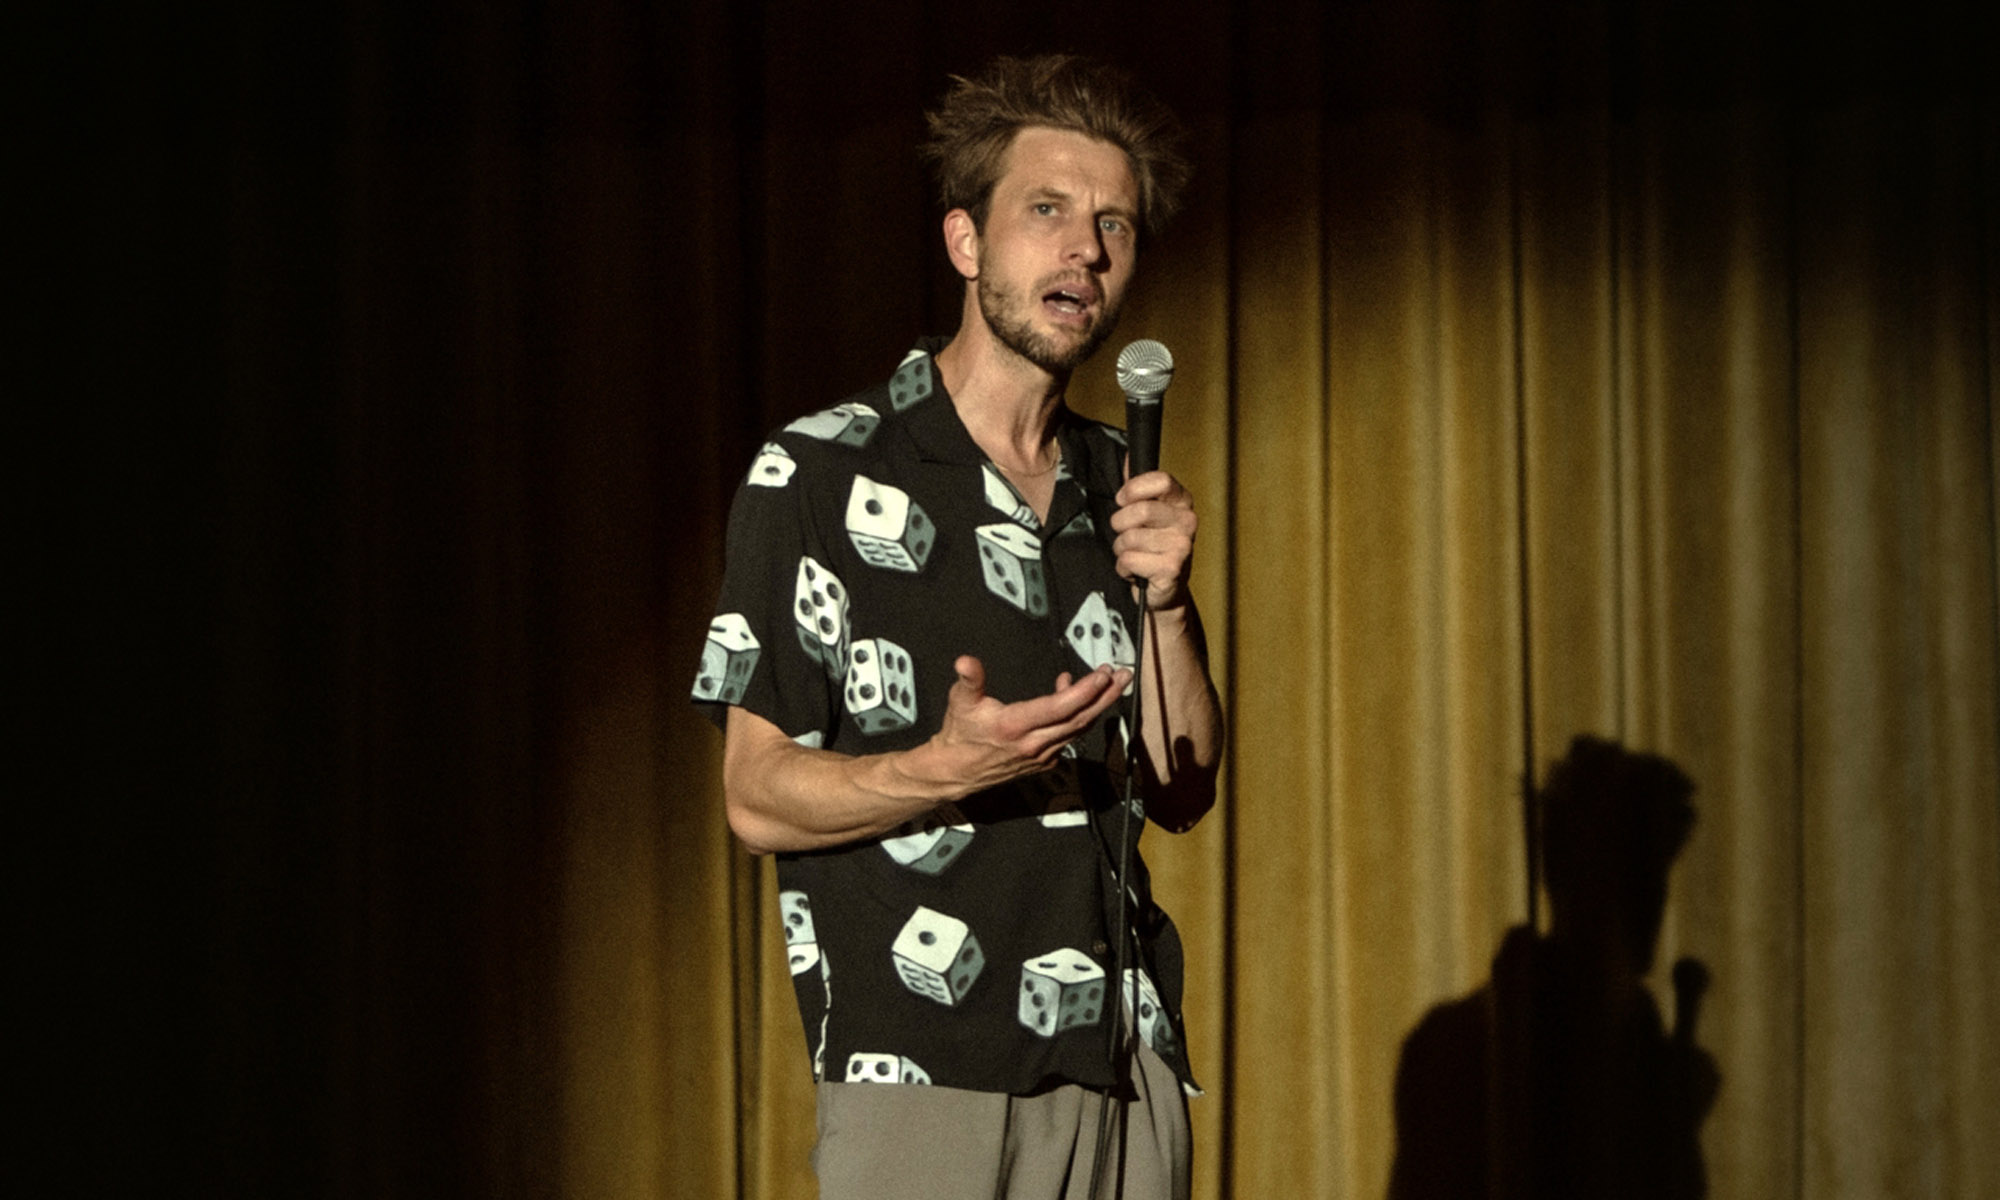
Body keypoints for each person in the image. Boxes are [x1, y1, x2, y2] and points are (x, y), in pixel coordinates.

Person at [691, 53, 1223, 1200]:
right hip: (924, 1068)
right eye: (1047, 211)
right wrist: (940, 769)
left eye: (1113, 225)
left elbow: (1181, 787)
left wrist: (1169, 603)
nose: (1085, 247)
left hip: (1118, 1058)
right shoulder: (820, 471)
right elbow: (752, 794)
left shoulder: (1115, 482)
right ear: (964, 244)